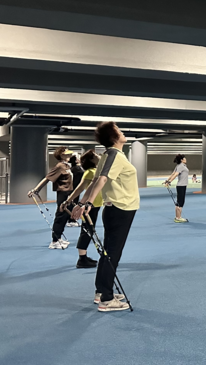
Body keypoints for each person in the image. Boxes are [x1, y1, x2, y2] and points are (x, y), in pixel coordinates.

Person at [72, 121, 140, 312]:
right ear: (113, 136)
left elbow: (95, 180)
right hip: (121, 208)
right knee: (113, 254)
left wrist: (82, 202)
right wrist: (87, 203)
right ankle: (107, 299)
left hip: (116, 208)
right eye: (119, 130)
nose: (122, 132)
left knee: (108, 252)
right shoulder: (113, 155)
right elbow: (100, 180)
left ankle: (101, 291)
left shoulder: (109, 155)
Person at [27, 146, 75, 249]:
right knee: (60, 216)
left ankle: (59, 238)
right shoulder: (59, 166)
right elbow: (47, 178)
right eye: (67, 154)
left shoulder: (66, 166)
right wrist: (36, 189)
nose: (70, 155)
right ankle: (54, 241)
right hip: (63, 193)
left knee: (65, 217)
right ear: (61, 155)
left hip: (69, 193)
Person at [62, 149, 102, 269]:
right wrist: (68, 201)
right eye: (95, 155)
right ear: (91, 160)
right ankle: (82, 258)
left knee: (89, 230)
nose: (98, 156)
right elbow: (80, 188)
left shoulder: (95, 171)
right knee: (87, 230)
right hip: (89, 205)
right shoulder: (90, 172)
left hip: (96, 204)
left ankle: (83, 257)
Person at [163, 154, 189, 223]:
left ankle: (177, 217)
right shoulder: (181, 166)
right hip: (182, 185)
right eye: (184, 158)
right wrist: (169, 181)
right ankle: (178, 218)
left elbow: (173, 173)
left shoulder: (180, 166)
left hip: (181, 185)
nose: (185, 159)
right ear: (181, 160)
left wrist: (167, 180)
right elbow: (175, 174)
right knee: (181, 202)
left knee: (178, 201)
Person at [67, 154, 83, 228]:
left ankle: (71, 219)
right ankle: (71, 220)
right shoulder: (78, 169)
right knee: (73, 204)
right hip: (75, 189)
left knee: (72, 204)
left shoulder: (72, 168)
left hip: (73, 188)